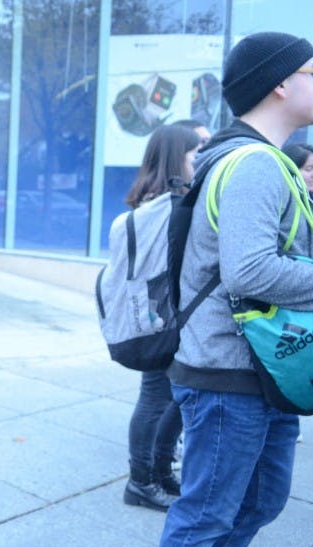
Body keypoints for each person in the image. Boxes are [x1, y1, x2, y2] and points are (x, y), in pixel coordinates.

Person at [153, 32, 313, 547]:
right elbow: (250, 272)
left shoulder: (262, 160)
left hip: (262, 370)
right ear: (280, 82)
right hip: (227, 373)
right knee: (206, 514)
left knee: (258, 502)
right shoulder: (253, 164)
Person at [119, 123, 202, 511]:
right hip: (160, 316)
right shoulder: (163, 203)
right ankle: (140, 481)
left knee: (167, 400)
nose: (198, 159)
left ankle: (159, 473)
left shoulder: (154, 196)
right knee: (156, 398)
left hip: (160, 313)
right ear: (175, 157)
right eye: (193, 153)